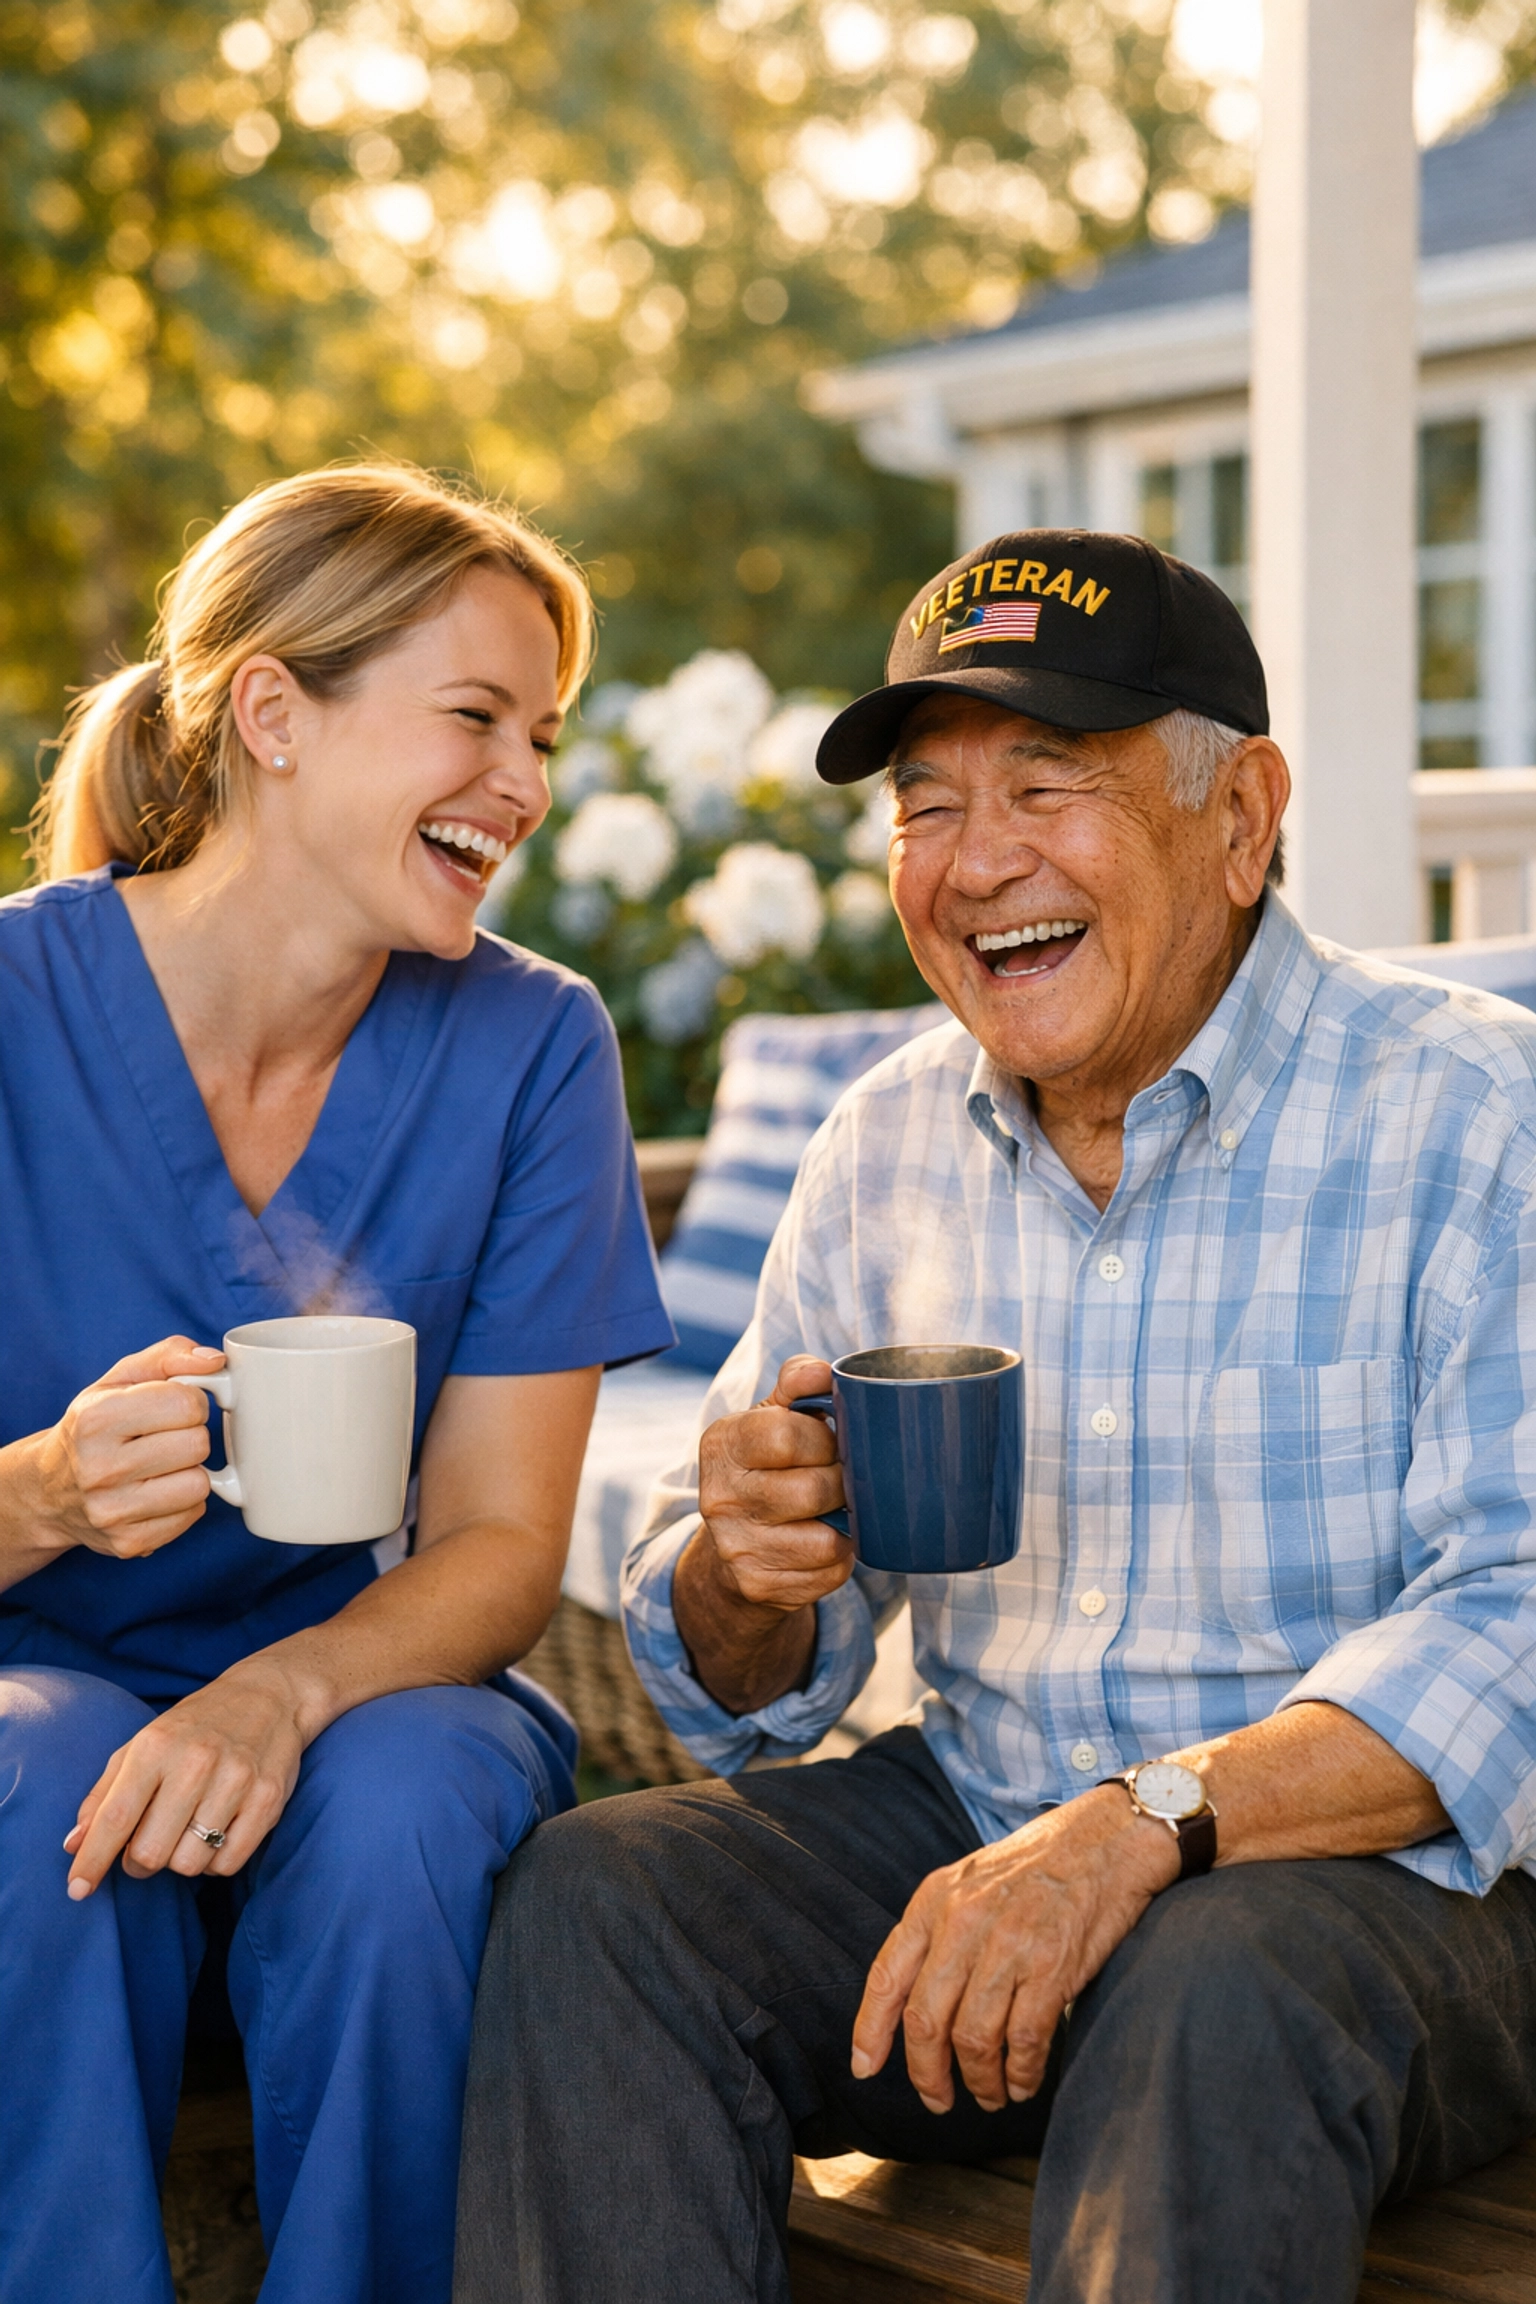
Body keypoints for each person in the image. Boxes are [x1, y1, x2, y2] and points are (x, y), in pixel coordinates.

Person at [456, 530, 1536, 2304]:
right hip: (980, 1819)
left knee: (1217, 1983)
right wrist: (748, 1568)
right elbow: (738, 1685)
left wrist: (1137, 1830)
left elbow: (1516, 1618)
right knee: (605, 1900)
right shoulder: (885, 1143)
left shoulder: (1472, 1112)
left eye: (1050, 785)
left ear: (1245, 816)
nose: (979, 865)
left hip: (1387, 1894)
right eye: (928, 808)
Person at [0, 463, 675, 2304]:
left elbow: (500, 1542)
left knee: (404, 1801)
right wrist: (43, 1496)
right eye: (474, 718)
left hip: (366, 1676)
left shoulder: (536, 1046)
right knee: (30, 1760)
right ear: (274, 717)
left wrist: (276, 1697)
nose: (525, 787)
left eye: (541, 736)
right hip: (31, 1673)